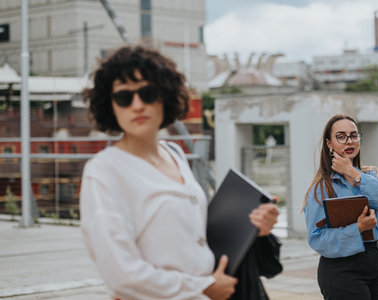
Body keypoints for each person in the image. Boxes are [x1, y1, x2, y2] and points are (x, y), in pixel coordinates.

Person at [80, 45, 279, 300]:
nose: (137, 105)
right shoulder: (104, 170)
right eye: (124, 97)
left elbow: (194, 235)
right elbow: (121, 274)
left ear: (165, 96)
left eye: (148, 93)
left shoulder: (174, 153)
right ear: (110, 105)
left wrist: (254, 225)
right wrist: (203, 288)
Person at [303, 114, 378, 300]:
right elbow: (316, 239)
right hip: (341, 271)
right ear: (329, 144)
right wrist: (357, 229)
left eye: (354, 135)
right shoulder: (321, 189)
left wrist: (353, 173)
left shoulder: (369, 176)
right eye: (341, 136)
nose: (349, 141)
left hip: (376, 264)